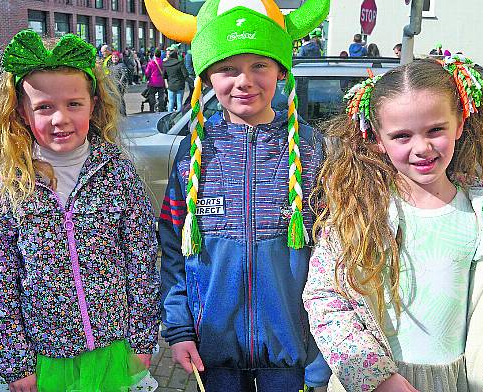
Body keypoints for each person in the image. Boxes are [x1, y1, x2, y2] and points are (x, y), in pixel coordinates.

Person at [303, 56, 483, 392]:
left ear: (460, 123)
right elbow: (325, 299)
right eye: (402, 136)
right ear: (376, 138)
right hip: (376, 383)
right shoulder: (357, 214)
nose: (422, 147)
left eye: (435, 130)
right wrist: (375, 377)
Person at [147, 0, 332, 390]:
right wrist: (179, 328)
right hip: (215, 355)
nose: (244, 81)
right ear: (207, 77)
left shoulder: (312, 150)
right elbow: (172, 249)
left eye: (258, 66)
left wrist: (324, 349)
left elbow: (335, 255)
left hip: (292, 357)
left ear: (280, 70)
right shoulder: (192, 153)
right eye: (228, 69)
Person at [0, 29, 160, 392]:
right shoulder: (9, 185)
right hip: (43, 356)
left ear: (94, 104)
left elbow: (142, 261)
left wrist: (143, 338)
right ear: (22, 113)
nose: (60, 118)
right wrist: (15, 361)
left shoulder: (117, 172)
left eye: (74, 104)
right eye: (44, 107)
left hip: (111, 350)